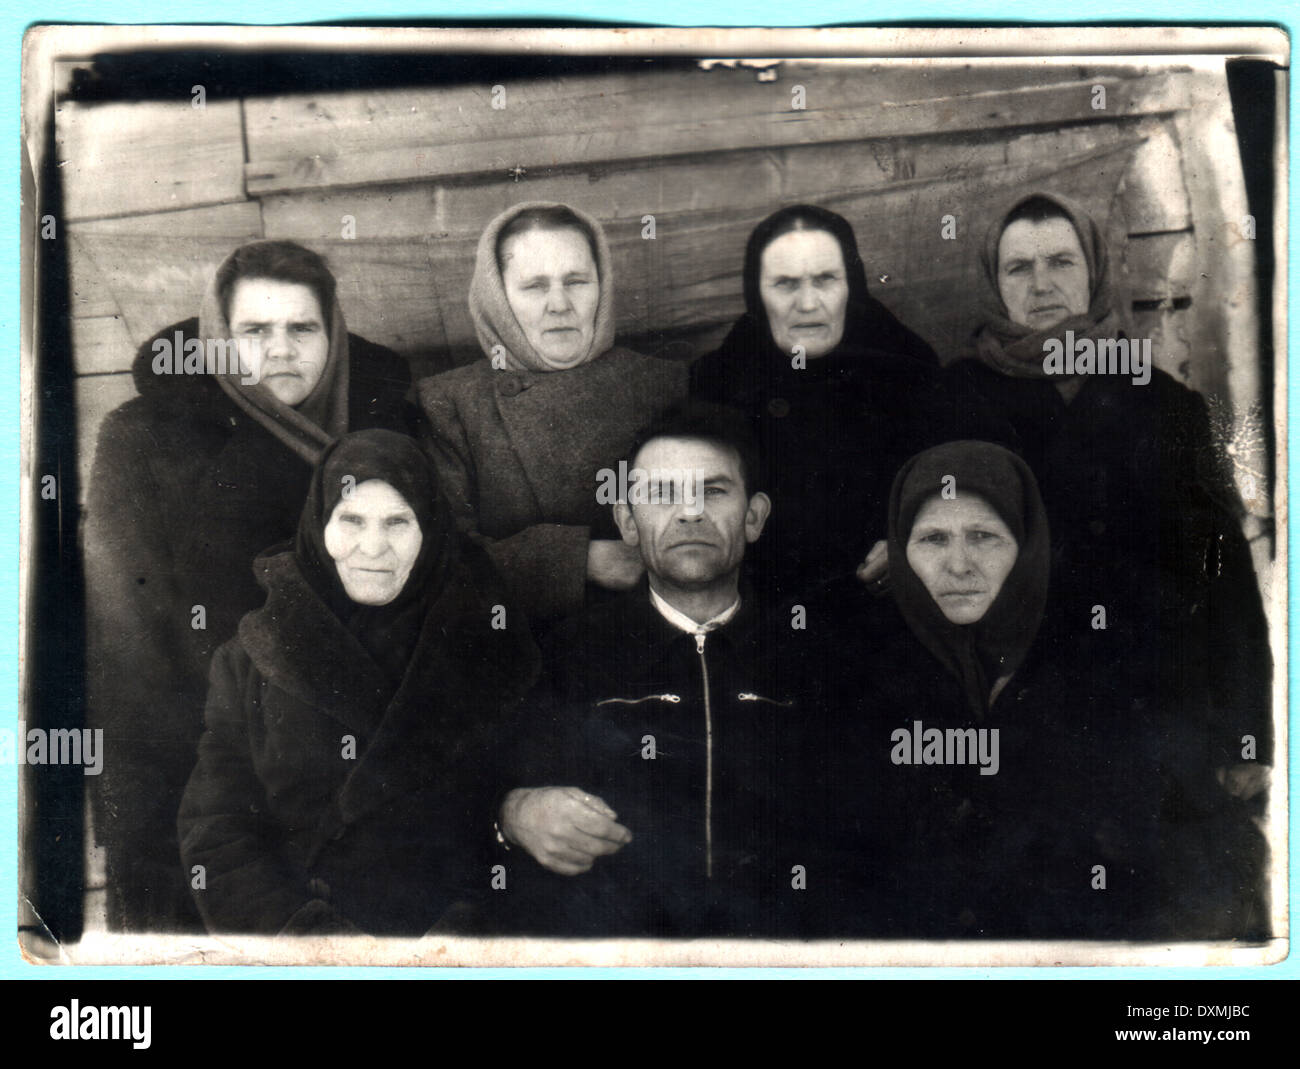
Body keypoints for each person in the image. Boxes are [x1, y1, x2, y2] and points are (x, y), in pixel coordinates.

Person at [945, 192, 1272, 936]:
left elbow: (1227, 585)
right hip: (1022, 725)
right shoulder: (955, 402)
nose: (1041, 283)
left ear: (1094, 272)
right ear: (993, 283)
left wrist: (1246, 732)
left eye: (1062, 261)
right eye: (1018, 267)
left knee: (1186, 917)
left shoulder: (1169, 406)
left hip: (1162, 719)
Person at [84, 240, 418, 932]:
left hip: (375, 767)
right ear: (218, 338)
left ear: (335, 335)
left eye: (302, 328)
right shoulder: (144, 441)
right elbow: (124, 648)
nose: (281, 350)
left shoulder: (388, 426)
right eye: (254, 332)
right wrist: (146, 827)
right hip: (212, 768)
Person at [177, 430, 539, 935]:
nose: (373, 547)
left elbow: (527, 805)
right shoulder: (251, 658)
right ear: (319, 525)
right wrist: (315, 942)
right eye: (351, 520)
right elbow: (218, 832)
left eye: (398, 522)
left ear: (430, 532)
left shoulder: (489, 641)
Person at [808, 440, 1171, 938]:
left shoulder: (1097, 668)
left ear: (1025, 543)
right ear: (897, 550)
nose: (959, 566)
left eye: (983, 536)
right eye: (933, 539)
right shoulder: (856, 676)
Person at [494, 403, 814, 937]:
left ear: (754, 517)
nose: (690, 513)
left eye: (713, 491)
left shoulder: (819, 661)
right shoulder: (562, 658)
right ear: (627, 521)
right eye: (662, 494)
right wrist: (514, 812)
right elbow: (483, 791)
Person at [418, 202, 687, 624]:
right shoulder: (449, 405)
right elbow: (441, 557)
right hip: (516, 643)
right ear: (498, 297)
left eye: (577, 281)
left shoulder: (665, 387)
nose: (560, 304)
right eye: (534, 286)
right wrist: (579, 561)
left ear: (602, 286)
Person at [689, 203, 952, 606]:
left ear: (853, 286)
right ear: (756, 295)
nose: (808, 303)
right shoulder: (718, 382)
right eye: (785, 284)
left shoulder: (909, 368)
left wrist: (914, 540)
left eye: (826, 279)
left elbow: (962, 482)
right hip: (762, 617)